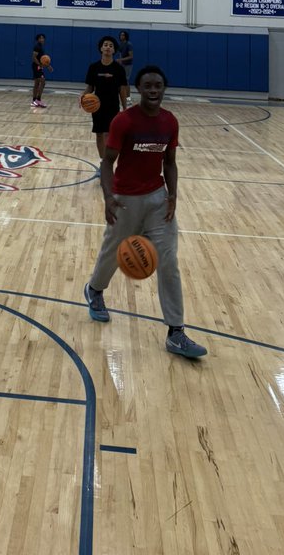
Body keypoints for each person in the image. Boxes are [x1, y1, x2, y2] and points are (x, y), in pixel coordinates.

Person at [83, 64, 207, 360]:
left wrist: (173, 195)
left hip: (157, 199)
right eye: (148, 86)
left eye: (158, 86)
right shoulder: (124, 122)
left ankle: (176, 331)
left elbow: (170, 163)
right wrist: (108, 197)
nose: (153, 90)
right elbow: (106, 162)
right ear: (139, 89)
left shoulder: (170, 122)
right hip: (125, 199)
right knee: (112, 253)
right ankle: (95, 290)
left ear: (164, 89)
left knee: (168, 261)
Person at [82, 35, 128, 159]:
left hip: (112, 105)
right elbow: (90, 87)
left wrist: (125, 107)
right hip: (97, 105)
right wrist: (83, 97)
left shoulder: (119, 69)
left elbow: (122, 90)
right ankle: (103, 161)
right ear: (101, 48)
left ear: (114, 50)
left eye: (111, 46)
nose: (108, 47)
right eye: (105, 45)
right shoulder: (94, 67)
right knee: (99, 134)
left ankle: (108, 162)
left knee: (109, 134)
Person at [31, 32, 48, 109]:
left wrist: (48, 66)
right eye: (40, 38)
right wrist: (39, 65)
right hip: (36, 67)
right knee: (43, 81)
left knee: (37, 84)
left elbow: (43, 59)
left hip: (38, 66)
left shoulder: (41, 47)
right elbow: (33, 58)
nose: (42, 39)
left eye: (43, 38)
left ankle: (34, 101)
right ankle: (38, 99)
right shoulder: (37, 47)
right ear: (38, 39)